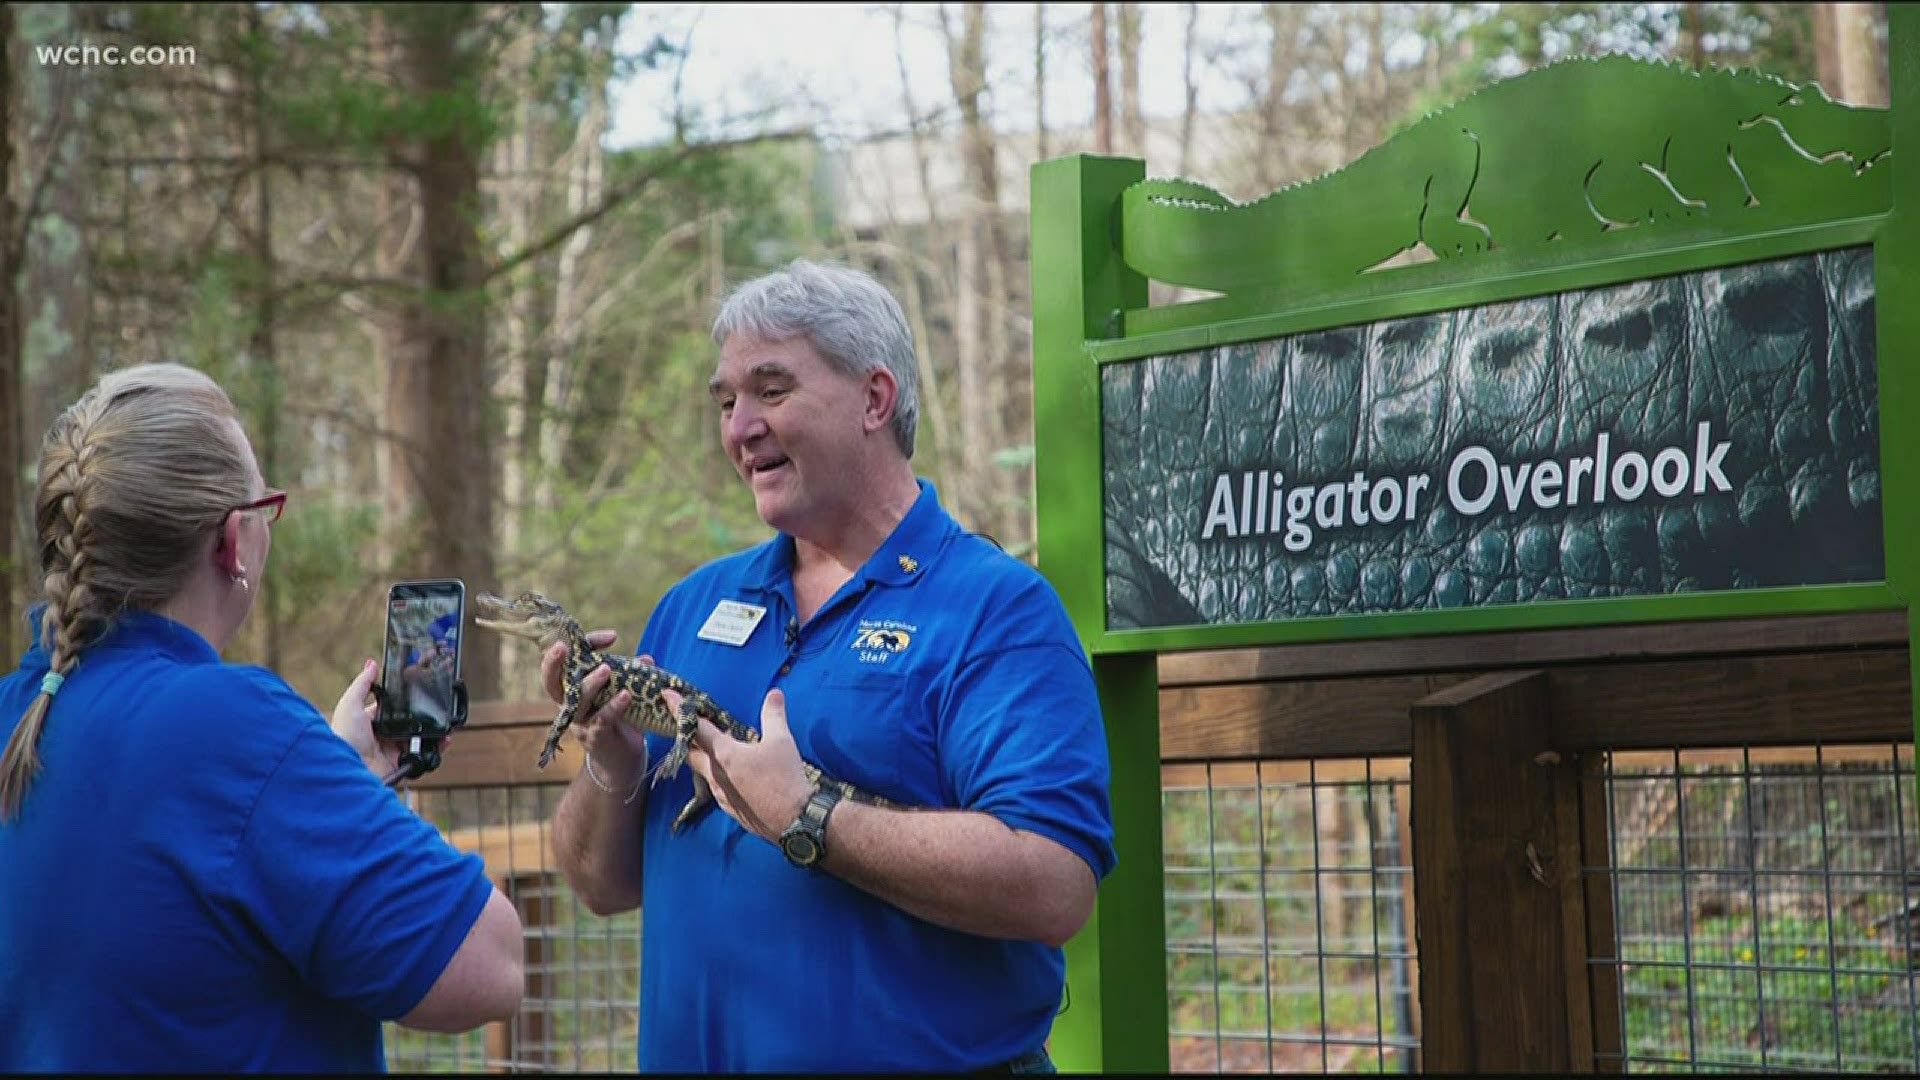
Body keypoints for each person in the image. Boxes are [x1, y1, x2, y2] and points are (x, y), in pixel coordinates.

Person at [540, 260, 1115, 1072]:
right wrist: (609, 758)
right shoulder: (692, 607)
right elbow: (600, 885)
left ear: (874, 400)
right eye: (727, 400)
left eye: (771, 391)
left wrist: (807, 817)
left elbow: (1055, 884)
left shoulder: (993, 609)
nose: (740, 427)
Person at [0, 363, 524, 1071]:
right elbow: (488, 963)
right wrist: (301, 775)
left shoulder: (20, 709)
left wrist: (334, 777)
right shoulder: (231, 726)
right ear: (232, 543)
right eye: (264, 507)